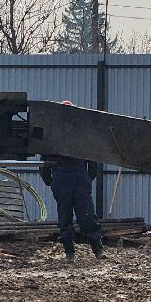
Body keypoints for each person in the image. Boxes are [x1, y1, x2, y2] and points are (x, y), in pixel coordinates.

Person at [39, 102, 105, 261]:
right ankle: (69, 252)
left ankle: (98, 249)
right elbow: (45, 159)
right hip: (62, 177)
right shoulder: (52, 133)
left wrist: (88, 177)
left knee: (87, 216)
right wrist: (49, 180)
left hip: (78, 175)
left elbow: (92, 157)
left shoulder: (81, 132)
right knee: (65, 217)